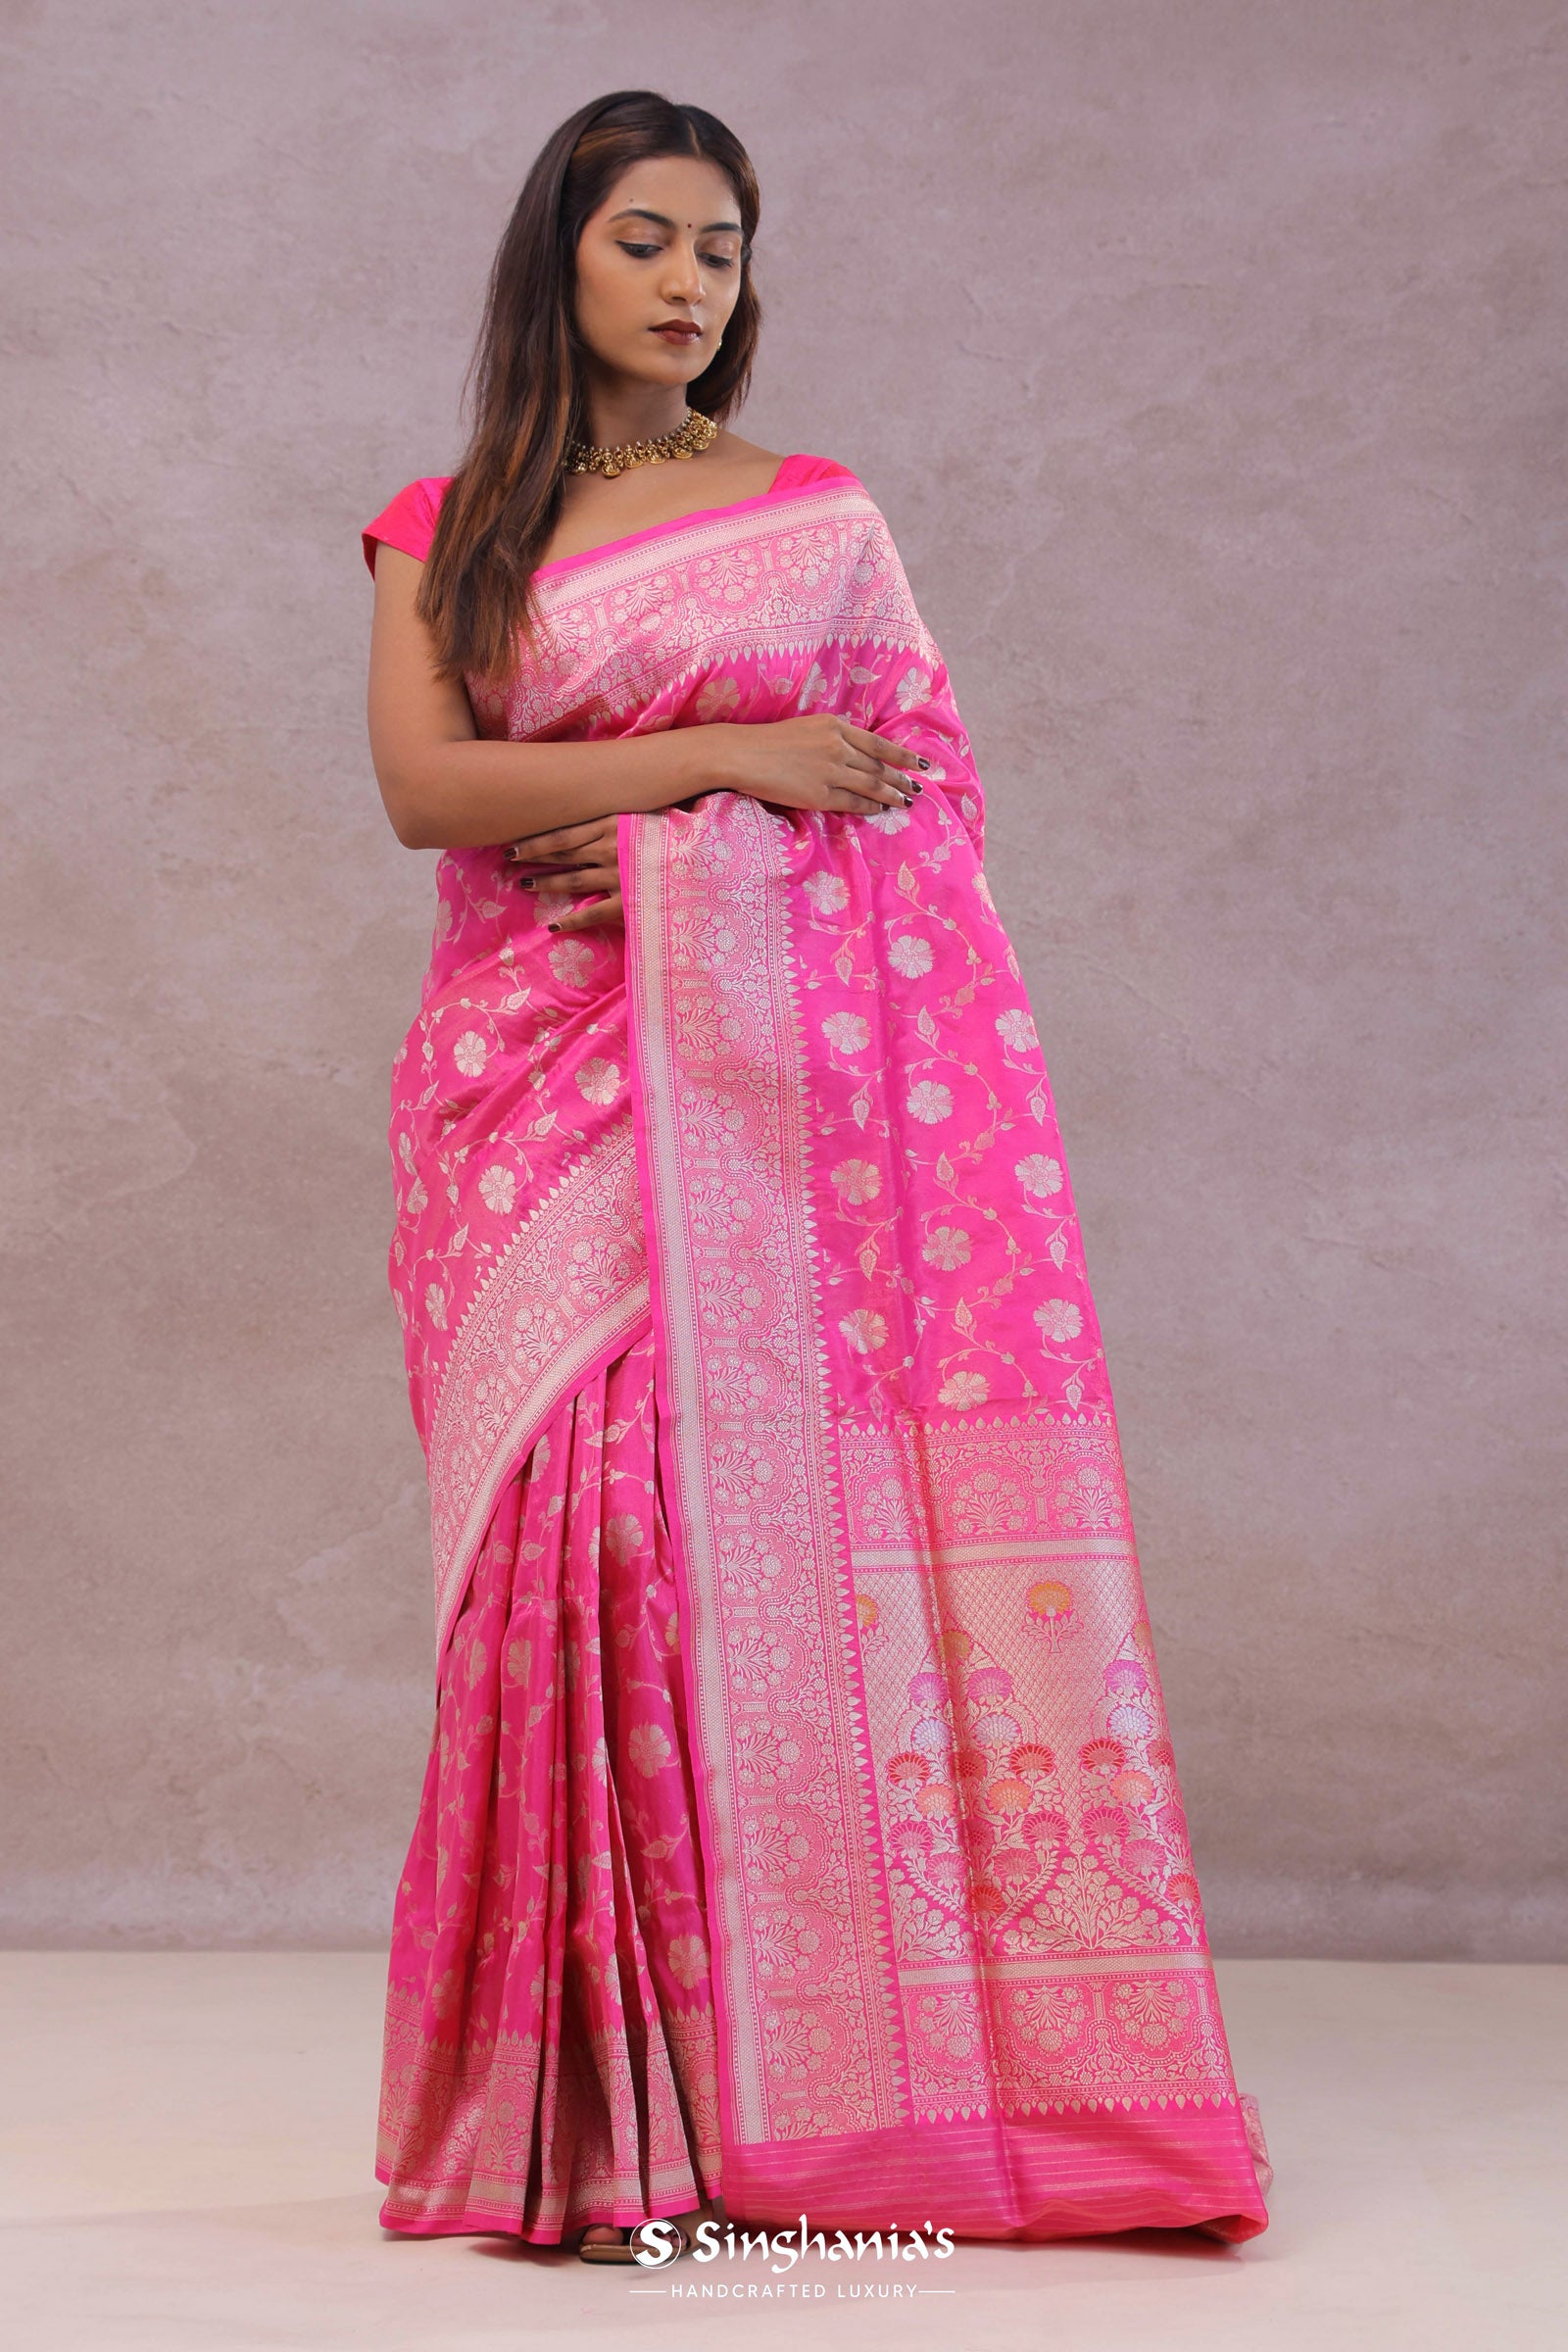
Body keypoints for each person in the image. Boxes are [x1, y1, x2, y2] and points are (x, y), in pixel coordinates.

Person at [360, 88, 1273, 2266]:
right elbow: (424, 790)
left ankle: (771, 2111)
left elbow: (917, 800)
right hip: (527, 1100)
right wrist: (720, 765)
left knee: (700, 1557)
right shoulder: (441, 523)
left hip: (753, 1099)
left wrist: (688, 860)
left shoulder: (817, 518)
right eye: (647, 240)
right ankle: (592, 2132)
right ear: (558, 256)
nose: (691, 284)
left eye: (723, 249)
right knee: (563, 1559)